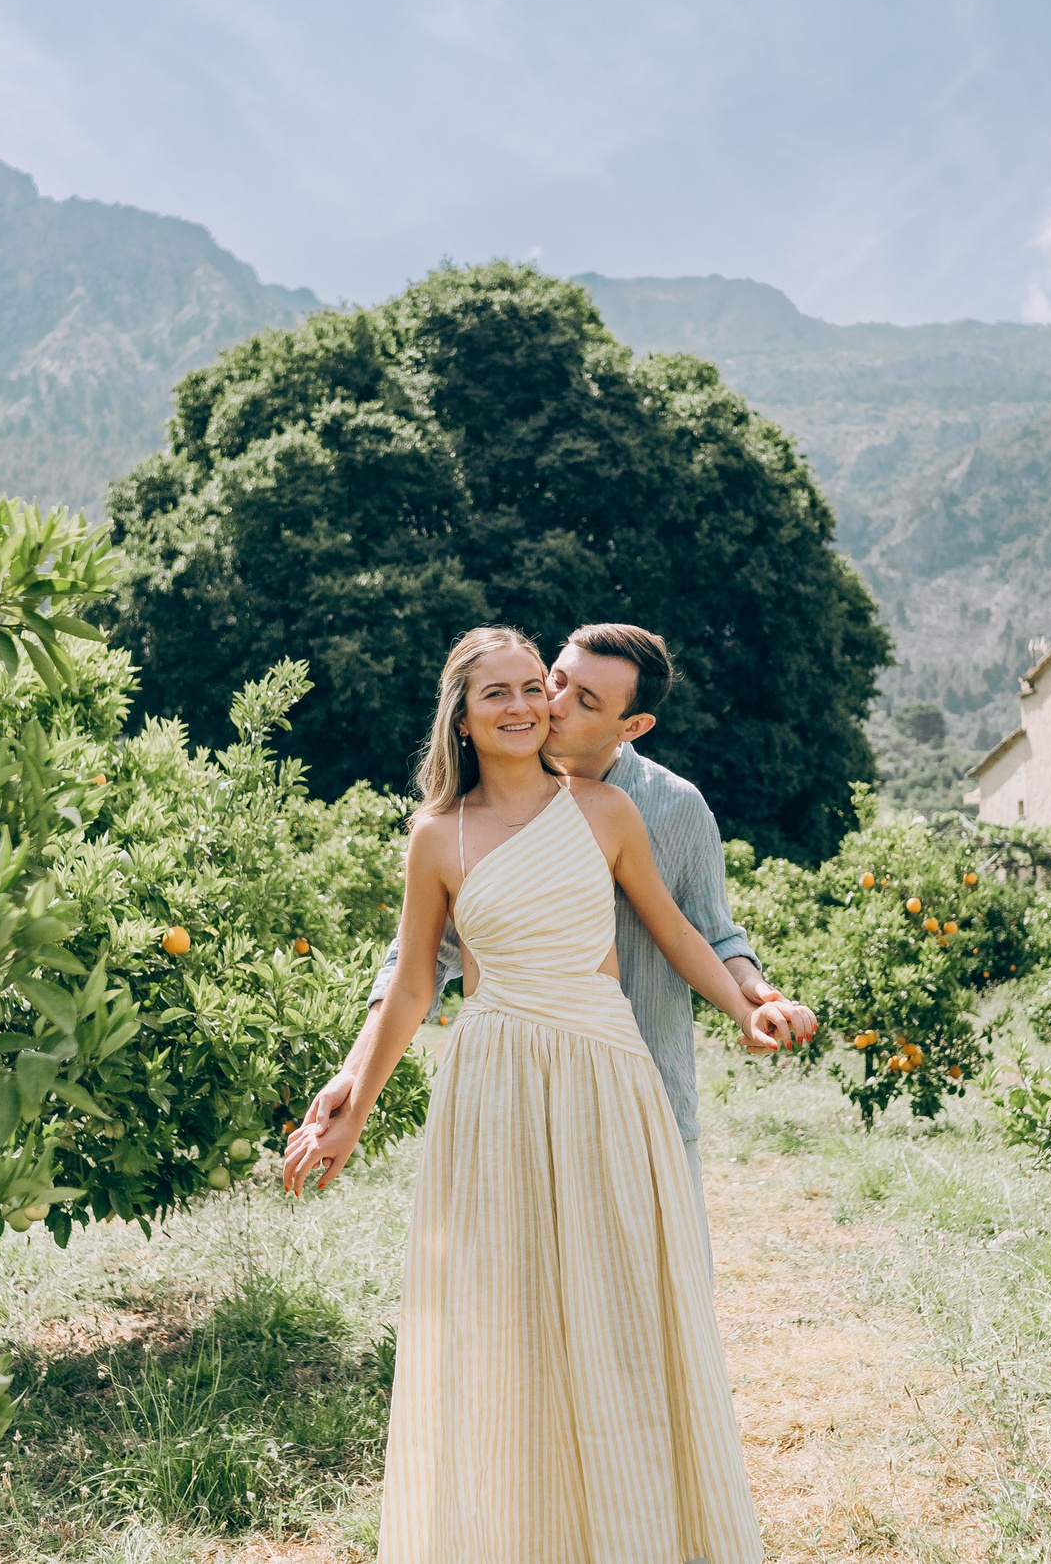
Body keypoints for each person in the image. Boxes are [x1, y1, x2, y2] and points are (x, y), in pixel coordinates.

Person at [284, 626, 805, 1561]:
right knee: (503, 1330)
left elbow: (685, 931)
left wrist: (747, 1004)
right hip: (492, 1090)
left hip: (611, 1082)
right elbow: (411, 982)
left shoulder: (611, 809)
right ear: (465, 716)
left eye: (540, 687)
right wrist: (351, 1101)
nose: (530, 704)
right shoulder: (435, 836)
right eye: (506, 692)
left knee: (621, 1328)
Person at [326, 621, 801, 1241]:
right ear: (462, 718)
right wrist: (355, 1081)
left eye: (584, 701)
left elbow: (700, 934)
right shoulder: (453, 827)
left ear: (632, 726)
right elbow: (415, 970)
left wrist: (753, 1004)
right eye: (555, 681)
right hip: (506, 1084)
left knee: (648, 1306)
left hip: (640, 1083)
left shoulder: (657, 807)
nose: (546, 705)